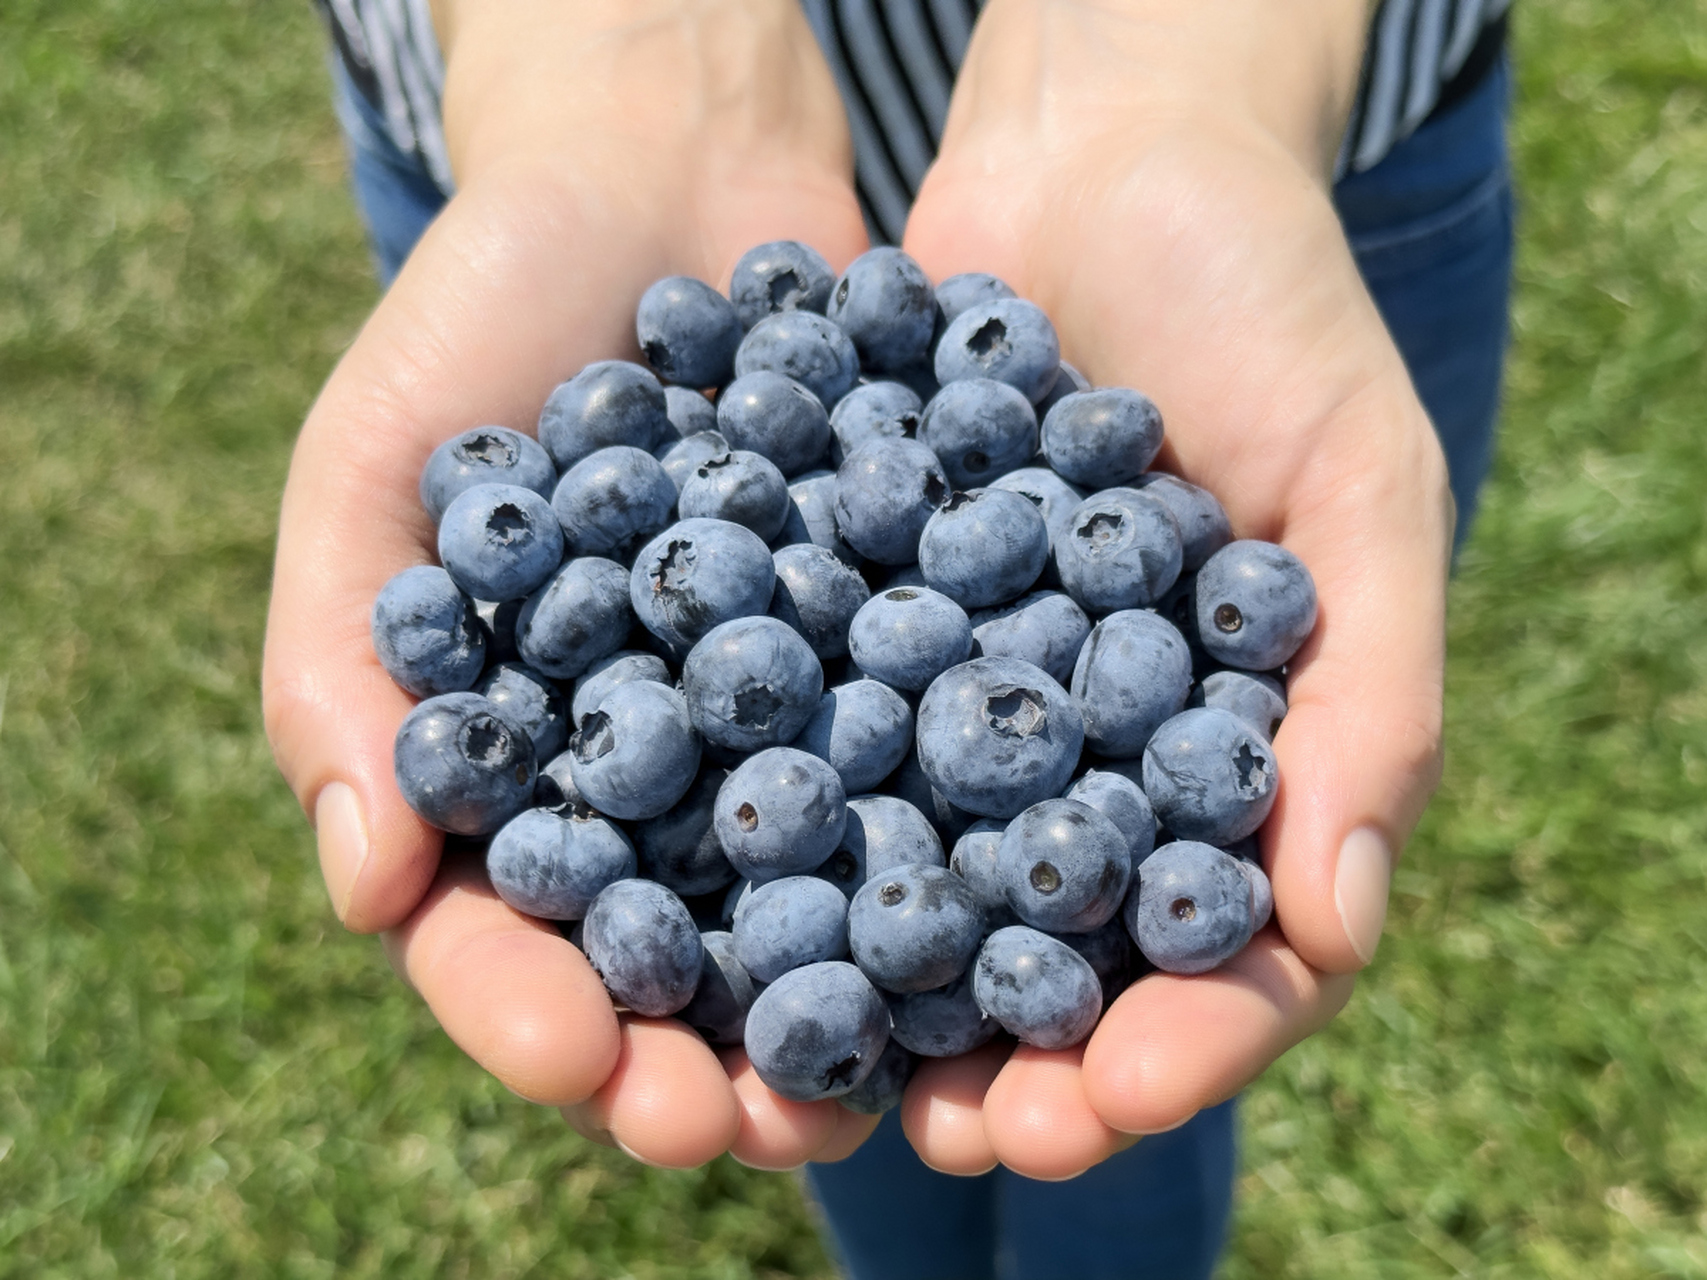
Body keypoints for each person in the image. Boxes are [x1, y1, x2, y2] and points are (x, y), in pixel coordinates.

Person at [263, 1, 1514, 1275]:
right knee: (846, 1102)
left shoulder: (1061, 605)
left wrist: (1168, 70)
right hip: (531, 89)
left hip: (1304, 100)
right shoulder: (657, 619)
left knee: (1128, 1089)